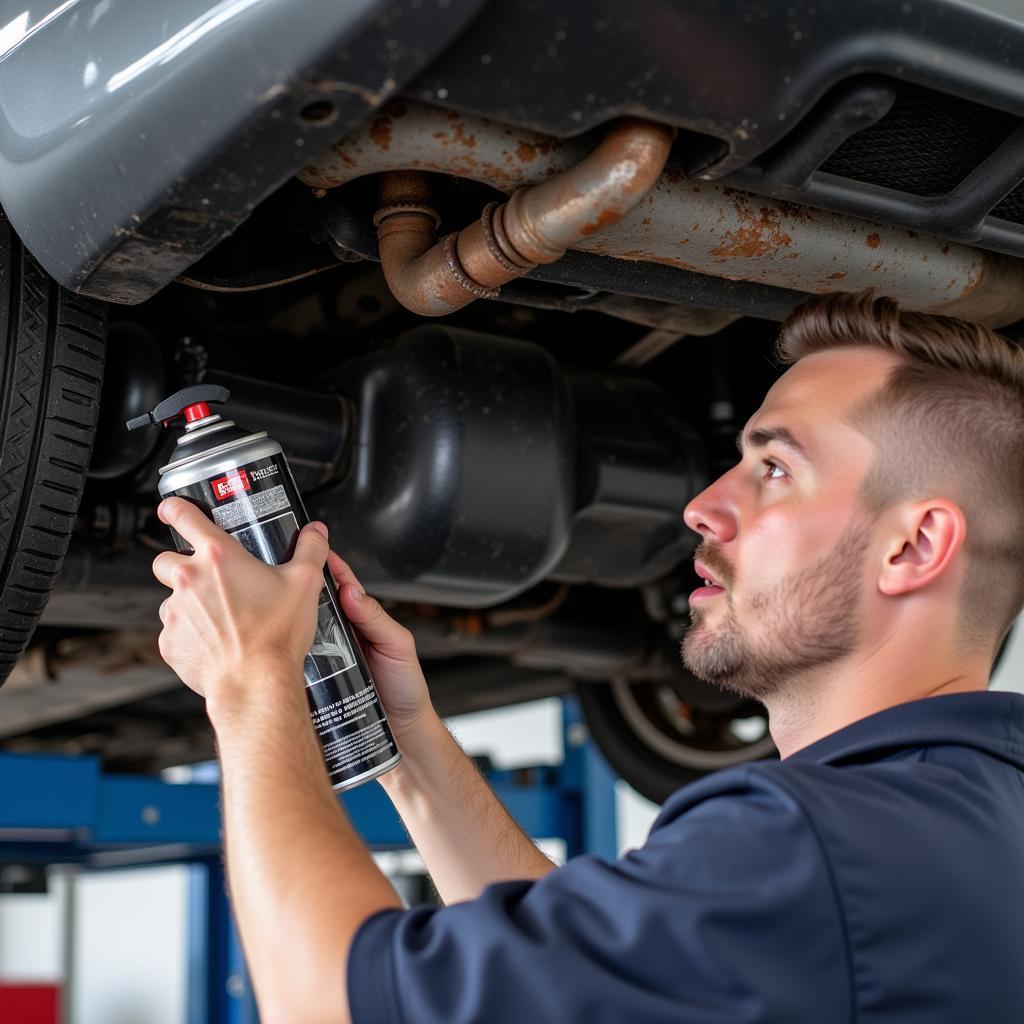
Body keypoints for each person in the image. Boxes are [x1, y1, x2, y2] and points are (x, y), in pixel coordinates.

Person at [152, 290, 1024, 1024]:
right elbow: (581, 968)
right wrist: (406, 743)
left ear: (913, 546)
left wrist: (250, 679)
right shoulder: (965, 814)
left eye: (776, 470)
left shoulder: (811, 850)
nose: (704, 507)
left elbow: (329, 1001)